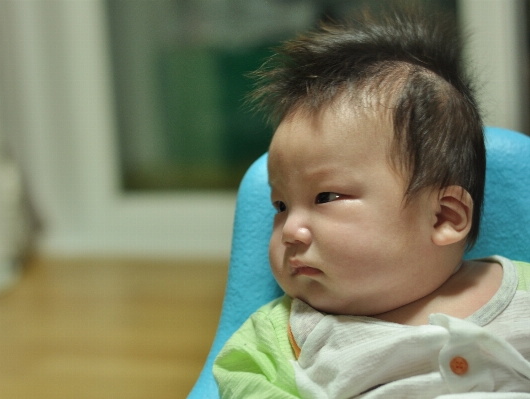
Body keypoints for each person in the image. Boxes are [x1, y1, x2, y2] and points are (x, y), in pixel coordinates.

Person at [212, 7, 530, 399]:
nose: (291, 230)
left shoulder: (523, 295)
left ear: (444, 216)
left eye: (326, 197)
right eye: (281, 206)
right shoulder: (282, 338)